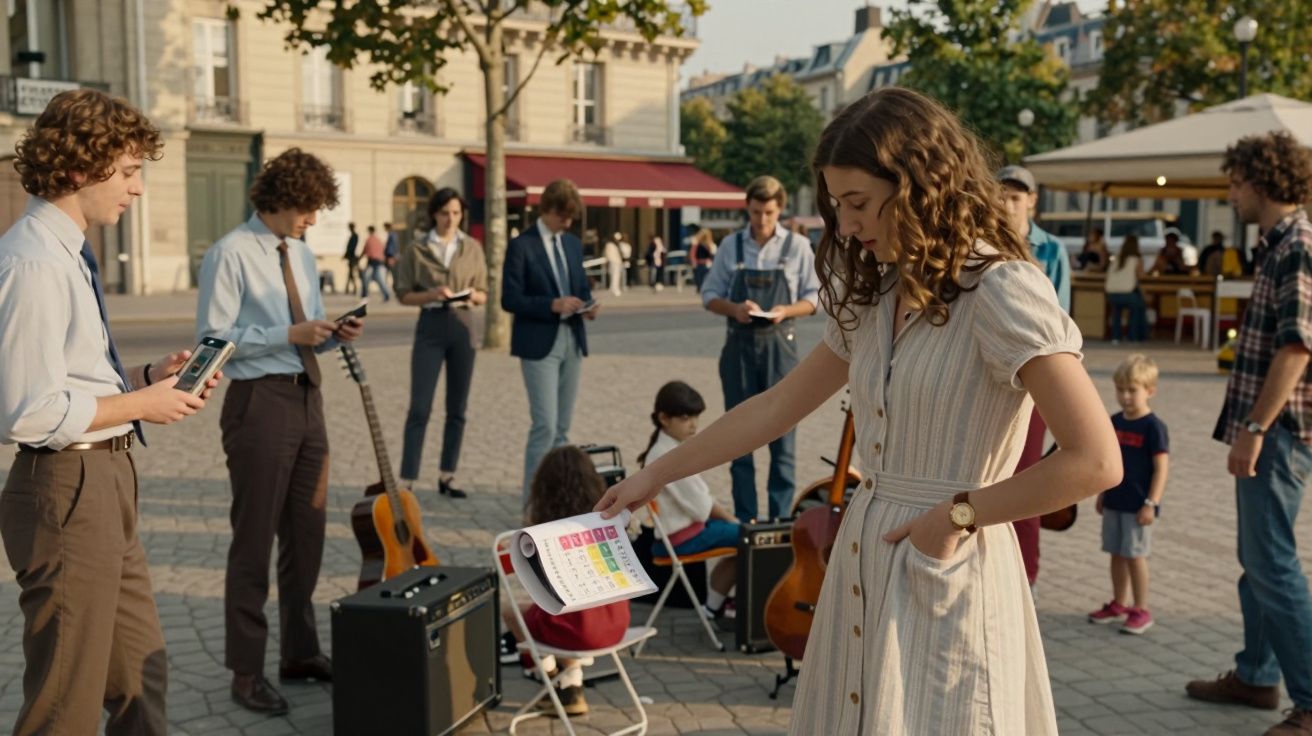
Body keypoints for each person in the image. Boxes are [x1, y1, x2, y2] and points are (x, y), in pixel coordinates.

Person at [595, 87, 1120, 734]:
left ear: (921, 188)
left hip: (949, 562)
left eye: (859, 203)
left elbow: (1096, 460)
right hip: (864, 552)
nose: (844, 226)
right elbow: (776, 406)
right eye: (836, 205)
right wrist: (655, 475)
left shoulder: (1002, 287)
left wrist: (955, 517)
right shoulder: (878, 291)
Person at [0, 88, 222, 736]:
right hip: (68, 487)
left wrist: (146, 379)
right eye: (127, 172)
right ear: (77, 168)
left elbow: (69, 378)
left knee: (138, 676)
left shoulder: (65, 252)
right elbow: (27, 409)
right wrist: (143, 403)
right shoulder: (33, 261)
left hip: (103, 482)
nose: (139, 189)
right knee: (64, 704)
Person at [196, 147, 365, 715]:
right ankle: (245, 671)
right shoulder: (229, 254)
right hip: (258, 404)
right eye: (308, 208)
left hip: (307, 397)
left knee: (307, 535)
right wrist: (286, 334)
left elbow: (301, 329)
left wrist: (331, 331)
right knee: (255, 539)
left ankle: (299, 652)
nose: (314, 219)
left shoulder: (301, 252)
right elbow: (212, 342)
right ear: (279, 198)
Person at [1187, 131, 1312, 736]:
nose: (1231, 194)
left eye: (1235, 182)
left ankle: (1308, 700)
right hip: (1275, 430)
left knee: (1273, 564)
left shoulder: (1298, 242)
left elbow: (1297, 347)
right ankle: (1258, 675)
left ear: (1261, 181)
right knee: (1258, 559)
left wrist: (1256, 427)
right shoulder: (1281, 243)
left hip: (1281, 431)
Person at [700, 175, 821, 522]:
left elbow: (815, 298)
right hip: (738, 349)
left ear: (780, 209)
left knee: (783, 441)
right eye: (755, 212)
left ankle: (781, 522)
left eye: (768, 213)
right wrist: (734, 309)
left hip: (781, 349)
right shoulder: (731, 246)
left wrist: (786, 310)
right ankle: (747, 521)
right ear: (747, 209)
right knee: (738, 440)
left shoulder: (797, 246)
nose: (762, 221)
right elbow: (709, 295)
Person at [503, 445, 631, 716]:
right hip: (615, 622)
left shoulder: (545, 531)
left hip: (574, 629)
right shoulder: (604, 520)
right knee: (570, 611)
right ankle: (569, 684)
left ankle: (551, 678)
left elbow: (537, 583)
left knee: (513, 610)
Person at [997, 164, 1072, 595]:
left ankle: (1024, 578)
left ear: (1032, 201)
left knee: (1025, 478)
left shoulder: (1050, 249)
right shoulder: (983, 243)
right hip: (992, 374)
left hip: (1036, 375)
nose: (1007, 203)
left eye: (1015, 196)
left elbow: (1058, 318)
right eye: (1001, 195)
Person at [502, 179, 599, 502]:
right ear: (546, 209)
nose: (568, 223)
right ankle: (532, 504)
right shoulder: (522, 245)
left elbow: (580, 287)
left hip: (572, 338)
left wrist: (588, 305)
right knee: (545, 425)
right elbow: (509, 299)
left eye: (572, 218)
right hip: (538, 343)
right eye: (563, 217)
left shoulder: (571, 243)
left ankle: (557, 503)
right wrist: (551, 305)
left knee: (563, 429)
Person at [396, 188, 488, 498]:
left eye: (456, 213)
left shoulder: (472, 247)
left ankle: (447, 476)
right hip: (430, 326)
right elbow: (403, 293)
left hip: (463, 325)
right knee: (419, 407)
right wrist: (432, 295)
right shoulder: (417, 249)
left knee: (457, 409)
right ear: (434, 213)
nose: (451, 219)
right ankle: (407, 479)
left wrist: (472, 296)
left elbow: (483, 292)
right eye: (445, 213)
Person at [639, 381, 739, 619]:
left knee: (750, 536)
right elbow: (702, 507)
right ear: (664, 418)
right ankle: (715, 608)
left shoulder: (669, 448)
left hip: (688, 530)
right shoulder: (667, 456)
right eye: (685, 418)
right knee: (751, 537)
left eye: (695, 416)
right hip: (680, 539)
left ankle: (717, 604)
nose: (693, 424)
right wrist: (735, 523)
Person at [1088, 354, 1169, 635]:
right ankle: (1119, 603)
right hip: (1114, 501)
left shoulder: (1153, 427)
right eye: (1120, 390)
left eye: (1132, 390)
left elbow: (1161, 470)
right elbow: (1107, 463)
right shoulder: (1114, 422)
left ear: (1150, 391)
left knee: (1135, 556)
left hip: (1138, 506)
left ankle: (1141, 608)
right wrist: (1102, 493)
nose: (1125, 396)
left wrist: (1151, 502)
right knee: (1116, 553)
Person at [1105, 234, 1149, 343]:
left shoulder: (1117, 258)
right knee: (1138, 307)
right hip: (1127, 293)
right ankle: (1133, 336)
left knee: (1117, 312)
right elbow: (1141, 276)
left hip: (1112, 294)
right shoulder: (1137, 259)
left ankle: (1116, 337)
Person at [361, 224, 392, 301]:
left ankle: (365, 295)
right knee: (380, 280)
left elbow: (365, 251)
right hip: (379, 262)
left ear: (369, 231)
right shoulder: (378, 240)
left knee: (367, 278)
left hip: (373, 262)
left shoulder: (369, 240)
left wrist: (360, 258)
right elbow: (383, 250)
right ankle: (386, 294)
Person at [602, 231, 625, 297]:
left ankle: (615, 288)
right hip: (613, 262)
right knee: (614, 276)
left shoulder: (618, 245)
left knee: (617, 276)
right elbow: (608, 254)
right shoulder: (609, 245)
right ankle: (614, 289)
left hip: (618, 263)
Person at [343, 221, 362, 294]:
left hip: (352, 257)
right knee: (350, 272)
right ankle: (348, 288)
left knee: (351, 273)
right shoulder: (353, 235)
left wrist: (346, 254)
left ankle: (352, 288)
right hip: (351, 256)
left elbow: (351, 247)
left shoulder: (354, 236)